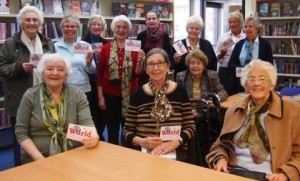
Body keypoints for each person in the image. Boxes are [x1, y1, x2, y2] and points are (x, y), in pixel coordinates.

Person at [206, 59, 300, 181]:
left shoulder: (291, 110)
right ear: (245, 85)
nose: (256, 83)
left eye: (262, 79)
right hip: (233, 172)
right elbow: (220, 144)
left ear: (272, 84)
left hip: (271, 177)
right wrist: (221, 158)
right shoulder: (234, 110)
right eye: (251, 79)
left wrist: (286, 174)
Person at [15, 53, 99, 164]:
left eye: (60, 69)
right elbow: (21, 132)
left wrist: (94, 136)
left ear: (66, 74)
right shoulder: (30, 95)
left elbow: (87, 123)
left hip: (73, 155)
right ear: (42, 73)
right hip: (38, 158)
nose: (55, 73)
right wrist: (40, 160)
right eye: (50, 69)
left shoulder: (77, 94)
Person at [0, 5, 55, 166]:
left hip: (45, 98)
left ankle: (41, 167)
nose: (32, 23)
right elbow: (1, 68)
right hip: (20, 99)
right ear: (22, 23)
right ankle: (20, 171)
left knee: (43, 135)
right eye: (28, 20)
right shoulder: (11, 43)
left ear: (40, 23)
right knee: (21, 138)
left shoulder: (47, 43)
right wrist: (19, 68)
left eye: (35, 20)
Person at [123, 48, 195, 162]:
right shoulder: (138, 94)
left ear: (167, 66)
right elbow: (127, 131)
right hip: (144, 152)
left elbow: (190, 127)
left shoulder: (180, 91)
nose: (156, 68)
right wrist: (142, 141)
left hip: (175, 150)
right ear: (146, 69)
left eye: (160, 63)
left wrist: (175, 142)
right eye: (151, 64)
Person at [97, 15, 145, 145]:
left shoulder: (134, 47)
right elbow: (100, 74)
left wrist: (140, 63)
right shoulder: (106, 48)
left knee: (128, 128)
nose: (121, 30)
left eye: (124, 27)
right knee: (112, 128)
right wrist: (101, 97)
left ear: (128, 30)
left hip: (130, 95)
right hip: (110, 95)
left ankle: (127, 155)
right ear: (113, 29)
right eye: (118, 27)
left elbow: (137, 74)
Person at [176, 49, 228, 166]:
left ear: (204, 65)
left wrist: (214, 100)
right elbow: (177, 97)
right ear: (188, 65)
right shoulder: (181, 76)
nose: (195, 66)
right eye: (192, 63)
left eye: (198, 63)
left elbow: (223, 92)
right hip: (189, 113)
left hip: (207, 113)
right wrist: (186, 109)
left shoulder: (212, 75)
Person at [55, 15, 96, 108]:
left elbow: (92, 71)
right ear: (62, 28)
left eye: (73, 26)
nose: (70, 29)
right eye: (67, 26)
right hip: (61, 90)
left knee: (81, 120)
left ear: (78, 28)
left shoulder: (85, 45)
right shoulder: (55, 47)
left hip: (83, 90)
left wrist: (89, 63)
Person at [227, 16, 273, 95]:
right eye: (245, 27)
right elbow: (231, 63)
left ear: (257, 29)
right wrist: (242, 70)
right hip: (240, 83)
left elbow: (269, 65)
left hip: (258, 83)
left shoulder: (265, 44)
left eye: (250, 26)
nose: (247, 29)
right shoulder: (239, 44)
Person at [82, 15, 109, 141]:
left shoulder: (107, 43)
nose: (97, 27)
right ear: (89, 26)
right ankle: (92, 135)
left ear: (103, 27)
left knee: (103, 110)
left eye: (99, 25)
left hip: (103, 82)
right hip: (87, 81)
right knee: (90, 110)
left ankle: (100, 132)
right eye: (94, 24)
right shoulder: (81, 43)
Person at [136, 10, 171, 86]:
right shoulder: (140, 36)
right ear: (146, 21)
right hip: (145, 72)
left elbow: (168, 55)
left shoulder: (165, 35)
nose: (151, 21)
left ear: (158, 20)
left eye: (154, 18)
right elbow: (136, 55)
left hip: (160, 71)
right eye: (149, 19)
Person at [215, 11, 245, 93]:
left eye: (234, 22)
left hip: (239, 70)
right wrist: (221, 54)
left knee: (238, 94)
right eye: (230, 22)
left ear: (240, 23)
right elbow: (216, 55)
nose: (231, 24)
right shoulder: (223, 36)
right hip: (224, 70)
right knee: (224, 94)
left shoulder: (245, 37)